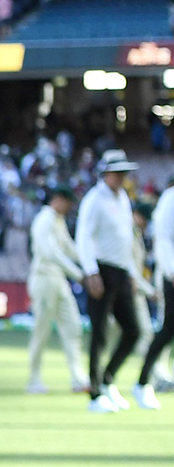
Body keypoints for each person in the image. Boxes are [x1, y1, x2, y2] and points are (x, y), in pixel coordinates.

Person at [76, 150, 144, 412]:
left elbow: (126, 237)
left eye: (124, 173)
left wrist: (131, 273)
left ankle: (107, 379)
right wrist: (91, 272)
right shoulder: (94, 199)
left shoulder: (123, 197)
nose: (122, 177)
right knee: (100, 333)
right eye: (118, 173)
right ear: (106, 173)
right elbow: (83, 236)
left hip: (121, 271)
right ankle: (94, 394)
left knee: (133, 330)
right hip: (101, 271)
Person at [26, 188, 89, 395]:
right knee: (41, 331)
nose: (70, 207)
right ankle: (33, 379)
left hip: (58, 278)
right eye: (68, 202)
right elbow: (51, 252)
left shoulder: (58, 220)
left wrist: (91, 264)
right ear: (59, 200)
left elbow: (69, 249)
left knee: (73, 326)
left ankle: (78, 378)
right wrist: (80, 274)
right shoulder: (44, 219)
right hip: (43, 277)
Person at [134, 183, 174, 403]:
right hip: (169, 277)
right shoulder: (170, 199)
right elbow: (164, 239)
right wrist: (171, 271)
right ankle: (144, 380)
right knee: (165, 330)